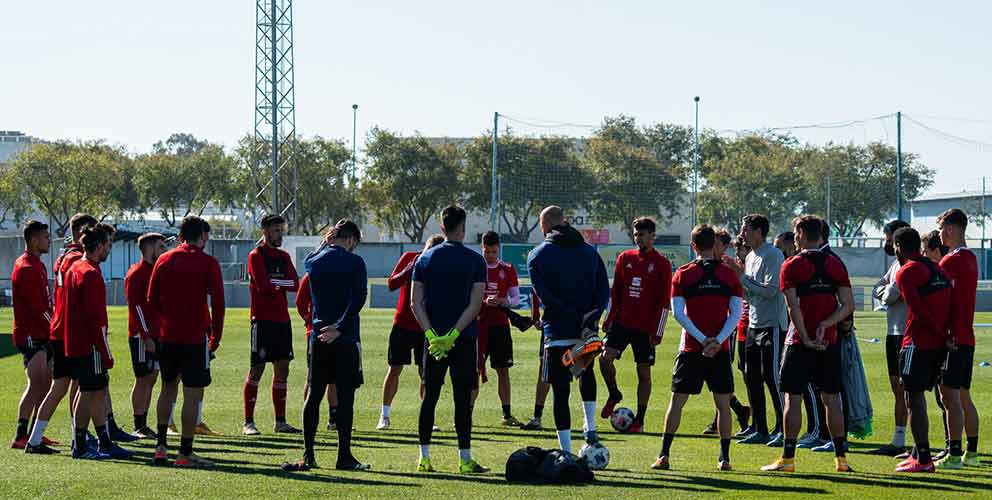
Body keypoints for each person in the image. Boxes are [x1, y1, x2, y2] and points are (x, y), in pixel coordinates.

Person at [761, 216, 854, 473]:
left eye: (795, 232)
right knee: (832, 399)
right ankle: (841, 460)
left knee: (793, 397)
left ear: (801, 233)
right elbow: (848, 305)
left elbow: (794, 307)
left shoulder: (792, 264)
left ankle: (788, 459)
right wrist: (827, 324)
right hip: (829, 342)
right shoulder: (835, 263)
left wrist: (807, 337)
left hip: (799, 342)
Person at [652, 225, 743, 472]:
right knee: (723, 405)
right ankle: (724, 459)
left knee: (677, 402)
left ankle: (664, 455)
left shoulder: (682, 274)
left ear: (693, 246)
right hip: (720, 350)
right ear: (714, 244)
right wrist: (717, 340)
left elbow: (679, 314)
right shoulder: (729, 274)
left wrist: (703, 340)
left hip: (691, 349)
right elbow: (736, 312)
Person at [285, 220, 369, 471]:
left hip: (319, 336)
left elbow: (311, 256)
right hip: (345, 337)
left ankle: (309, 454)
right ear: (352, 239)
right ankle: (344, 455)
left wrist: (327, 241)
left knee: (314, 395)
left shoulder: (315, 261)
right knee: (345, 397)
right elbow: (359, 299)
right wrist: (340, 327)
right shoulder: (356, 263)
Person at [412, 206, 488, 474]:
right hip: (463, 339)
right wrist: (454, 334)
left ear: (441, 227)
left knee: (429, 397)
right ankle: (465, 460)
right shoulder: (476, 260)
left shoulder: (424, 260)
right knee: (462, 399)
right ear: (463, 227)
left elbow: (415, 303)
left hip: (433, 341)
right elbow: (475, 304)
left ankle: (424, 458)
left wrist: (432, 335)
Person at [527, 206, 610, 453]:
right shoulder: (589, 252)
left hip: (557, 332)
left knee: (560, 390)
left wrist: (568, 314)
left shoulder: (537, 255)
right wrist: (589, 319)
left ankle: (565, 450)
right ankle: (590, 426)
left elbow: (545, 297)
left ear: (545, 226)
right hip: (584, 332)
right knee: (585, 372)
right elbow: (603, 291)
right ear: (564, 222)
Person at [148, 216, 225, 468]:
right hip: (194, 338)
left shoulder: (164, 259)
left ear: (180, 235)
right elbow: (219, 303)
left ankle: (160, 447)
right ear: (202, 236)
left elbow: (152, 299)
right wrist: (216, 335)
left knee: (167, 388)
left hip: (168, 337)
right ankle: (185, 452)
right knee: (192, 394)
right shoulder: (207, 262)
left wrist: (163, 326)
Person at [24, 214, 98, 454]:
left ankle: (33, 439)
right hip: (69, 332)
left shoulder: (62, 258)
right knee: (85, 387)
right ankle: (82, 439)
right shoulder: (79, 261)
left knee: (59, 387)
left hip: (59, 330)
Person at [65, 223, 132, 460]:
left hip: (77, 341)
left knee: (93, 392)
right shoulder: (90, 273)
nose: (109, 249)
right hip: (89, 344)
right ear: (100, 245)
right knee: (90, 392)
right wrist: (105, 351)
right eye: (109, 245)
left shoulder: (76, 268)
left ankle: (97, 441)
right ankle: (84, 445)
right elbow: (95, 319)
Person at [600, 217, 671, 433]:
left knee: (644, 373)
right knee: (604, 359)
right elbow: (616, 292)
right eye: (636, 234)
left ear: (652, 236)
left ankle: (639, 419)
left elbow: (664, 302)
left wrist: (657, 332)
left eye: (643, 234)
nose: (638, 238)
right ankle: (614, 393)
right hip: (622, 323)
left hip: (645, 329)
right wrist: (609, 317)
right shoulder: (625, 258)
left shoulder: (662, 263)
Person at [892, 226, 952, 473]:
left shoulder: (906, 272)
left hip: (918, 343)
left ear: (898, 248)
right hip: (938, 344)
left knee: (913, 398)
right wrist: (945, 335)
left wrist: (938, 333)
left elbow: (918, 310)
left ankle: (924, 459)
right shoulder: (937, 268)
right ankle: (918, 452)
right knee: (922, 397)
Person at [726, 214, 785, 445]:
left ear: (759, 232)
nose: (742, 234)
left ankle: (782, 428)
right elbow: (750, 293)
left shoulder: (773, 255)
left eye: (746, 230)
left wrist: (742, 277)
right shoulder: (750, 256)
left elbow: (771, 290)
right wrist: (741, 280)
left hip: (772, 324)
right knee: (751, 377)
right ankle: (759, 428)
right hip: (753, 324)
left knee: (773, 378)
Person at [377, 234, 445, 430]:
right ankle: (384, 415)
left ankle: (427, 417)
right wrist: (412, 267)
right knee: (395, 369)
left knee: (426, 373)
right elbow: (392, 283)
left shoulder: (440, 267)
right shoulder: (409, 257)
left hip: (426, 327)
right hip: (403, 325)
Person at [243, 214, 301, 436]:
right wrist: (279, 284)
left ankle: (281, 422)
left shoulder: (284, 257)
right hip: (261, 321)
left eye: (281, 230)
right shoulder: (256, 256)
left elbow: (295, 283)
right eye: (277, 230)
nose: (280, 234)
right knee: (257, 368)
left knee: (283, 369)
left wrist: (275, 283)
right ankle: (248, 422)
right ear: (265, 231)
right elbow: (262, 285)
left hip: (282, 321)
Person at [934, 209, 981, 469]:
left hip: (951, 338)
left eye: (941, 229)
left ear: (950, 229)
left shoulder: (951, 260)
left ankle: (953, 454)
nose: (940, 234)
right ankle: (971, 453)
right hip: (967, 336)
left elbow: (939, 298)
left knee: (948, 397)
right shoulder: (971, 258)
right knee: (963, 395)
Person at [869, 219, 912, 456]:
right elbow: (881, 288)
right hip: (892, 333)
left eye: (888, 237)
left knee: (909, 390)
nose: (887, 242)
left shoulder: (909, 265)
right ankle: (898, 441)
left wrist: (887, 292)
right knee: (897, 387)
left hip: (907, 333)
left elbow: (889, 296)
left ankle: (922, 443)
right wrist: (887, 291)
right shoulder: (895, 264)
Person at [703, 230, 751, 435]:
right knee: (710, 374)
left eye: (717, 244)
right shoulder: (706, 264)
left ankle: (721, 419)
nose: (714, 249)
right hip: (706, 329)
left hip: (726, 329)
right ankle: (739, 409)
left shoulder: (730, 267)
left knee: (718, 374)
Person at [12, 221, 54, 452]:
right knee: (36, 384)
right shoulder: (26, 267)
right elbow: (38, 308)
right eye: (45, 237)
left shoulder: (38, 264)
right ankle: (21, 435)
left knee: (45, 384)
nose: (49, 240)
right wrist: (56, 327)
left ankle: (35, 433)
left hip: (41, 333)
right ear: (34, 239)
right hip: (30, 334)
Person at [474, 231, 523, 426]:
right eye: (487, 252)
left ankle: (507, 414)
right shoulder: (475, 267)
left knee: (503, 370)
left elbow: (516, 300)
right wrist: (481, 301)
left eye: (494, 252)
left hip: (501, 326)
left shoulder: (508, 269)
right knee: (474, 370)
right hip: (478, 326)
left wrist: (504, 301)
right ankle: (466, 413)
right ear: (482, 249)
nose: (491, 256)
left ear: (499, 249)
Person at [125, 233, 167, 439]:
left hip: (157, 334)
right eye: (160, 246)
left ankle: (144, 422)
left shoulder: (157, 270)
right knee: (142, 378)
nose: (164, 250)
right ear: (149, 249)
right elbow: (136, 308)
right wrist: (146, 336)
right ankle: (138, 424)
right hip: (141, 336)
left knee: (152, 377)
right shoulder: (136, 273)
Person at [295, 272, 337, 430]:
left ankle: (334, 420)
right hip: (315, 332)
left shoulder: (340, 270)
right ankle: (308, 418)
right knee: (313, 377)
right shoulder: (312, 273)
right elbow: (300, 302)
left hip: (336, 331)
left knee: (334, 377)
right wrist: (308, 320)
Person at [521, 291, 551, 430]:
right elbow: (534, 289)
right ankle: (537, 417)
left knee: (579, 368)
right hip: (552, 323)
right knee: (545, 368)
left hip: (565, 322)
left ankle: (588, 422)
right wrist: (535, 316)